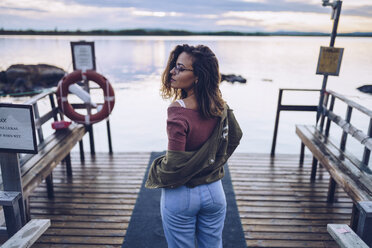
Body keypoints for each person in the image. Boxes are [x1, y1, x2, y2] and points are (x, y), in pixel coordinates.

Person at [145, 44, 242, 248]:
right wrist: (212, 162)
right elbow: (234, 137)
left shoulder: (178, 110)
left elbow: (174, 166)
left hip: (182, 195)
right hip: (215, 191)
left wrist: (157, 169)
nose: (172, 71)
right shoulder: (220, 106)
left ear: (198, 76)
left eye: (180, 68)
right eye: (174, 66)